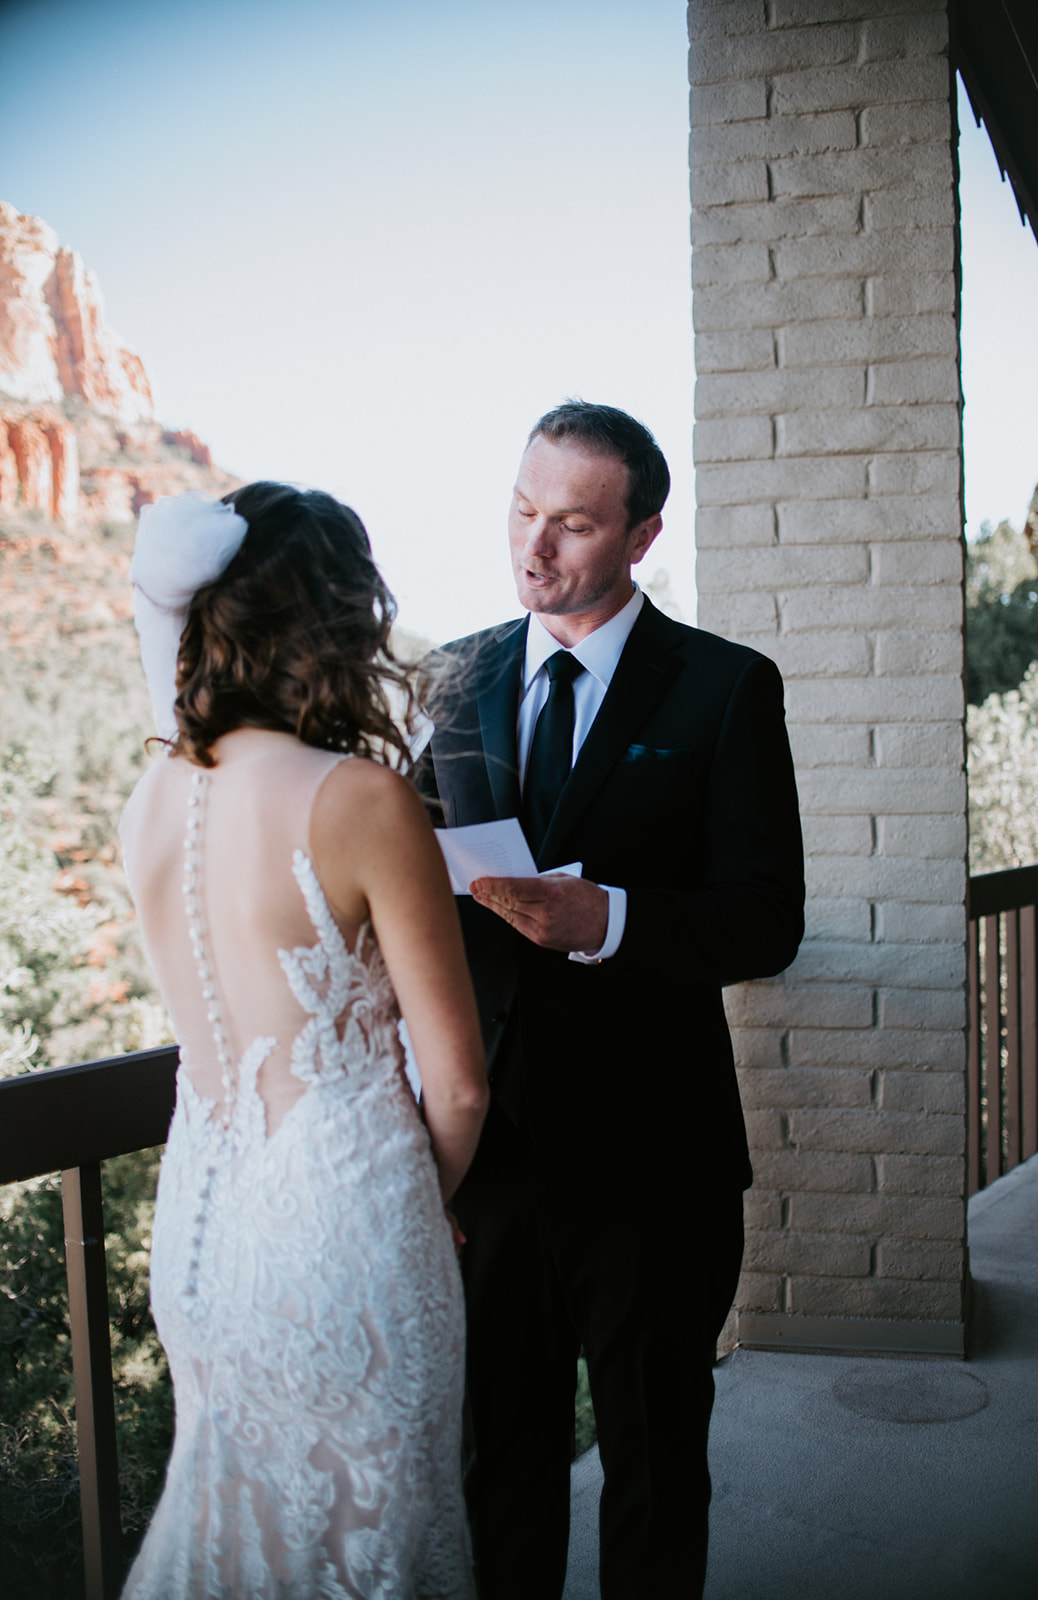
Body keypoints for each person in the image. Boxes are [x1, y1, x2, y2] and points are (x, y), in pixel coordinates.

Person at [417, 402, 805, 1600]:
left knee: (652, 1469)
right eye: (523, 511)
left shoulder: (725, 689)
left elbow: (764, 918)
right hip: (495, 1161)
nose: (535, 547)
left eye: (573, 524)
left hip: (654, 1164)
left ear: (640, 536)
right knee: (504, 1464)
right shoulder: (449, 679)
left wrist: (614, 920)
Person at [118, 483, 488, 1599]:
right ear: (332, 621)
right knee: (371, 1542)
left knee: (240, 1531)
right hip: (345, 1228)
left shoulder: (148, 798)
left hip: (201, 1232)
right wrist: (426, 1202)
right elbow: (461, 1086)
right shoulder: (358, 797)